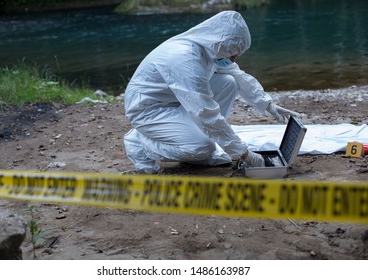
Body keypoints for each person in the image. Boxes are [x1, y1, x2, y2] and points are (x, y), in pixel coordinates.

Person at [123, 10, 301, 174]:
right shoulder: (185, 59)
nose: (233, 58)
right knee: (201, 148)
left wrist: (267, 104)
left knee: (228, 82)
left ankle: (198, 148)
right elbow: (205, 112)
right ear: (221, 42)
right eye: (232, 52)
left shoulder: (208, 50)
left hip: (174, 101)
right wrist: (243, 154)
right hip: (149, 111)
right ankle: (140, 141)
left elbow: (237, 75)